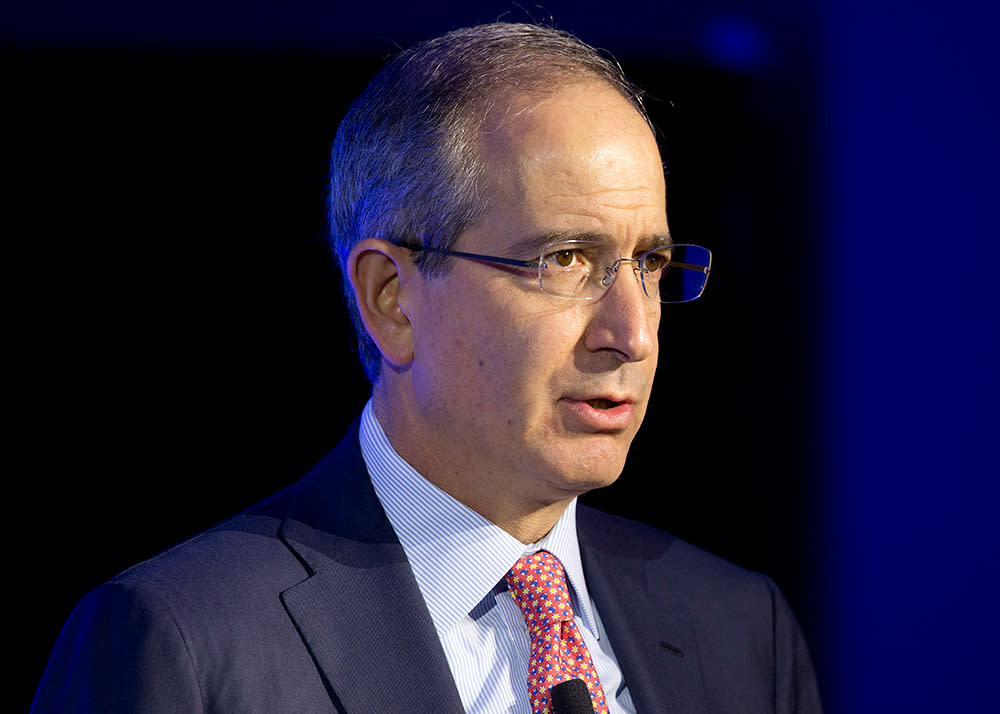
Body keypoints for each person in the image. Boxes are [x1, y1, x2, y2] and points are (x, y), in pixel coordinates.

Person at [31, 22, 822, 714]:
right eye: (568, 258)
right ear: (391, 300)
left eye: (648, 263)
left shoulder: (742, 629)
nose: (633, 333)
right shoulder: (182, 640)